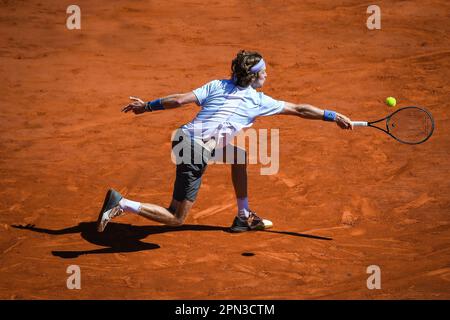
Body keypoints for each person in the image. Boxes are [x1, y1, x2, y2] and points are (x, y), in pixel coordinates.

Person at [96, 50, 353, 233]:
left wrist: (147, 107)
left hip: (185, 139)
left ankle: (243, 216)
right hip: (194, 151)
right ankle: (122, 203)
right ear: (253, 77)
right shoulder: (257, 100)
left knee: (238, 156)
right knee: (176, 218)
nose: (267, 73)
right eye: (263, 71)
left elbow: (178, 100)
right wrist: (332, 116)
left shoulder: (218, 84)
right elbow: (299, 109)